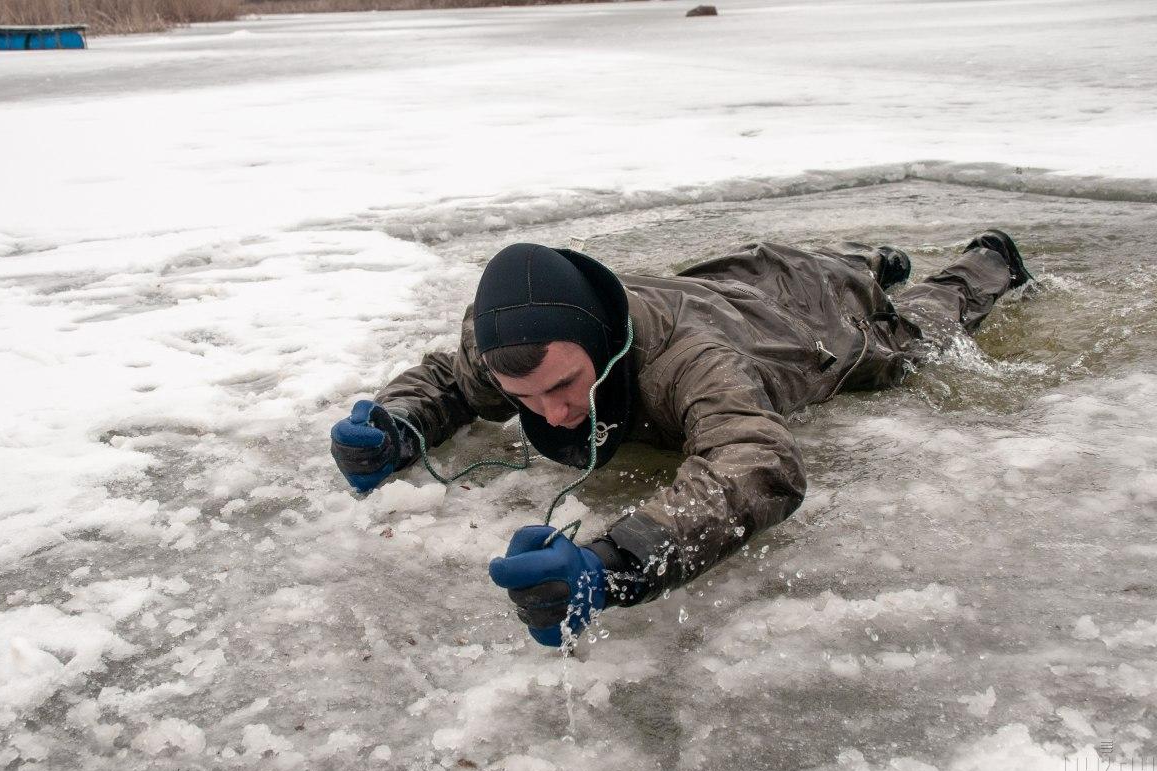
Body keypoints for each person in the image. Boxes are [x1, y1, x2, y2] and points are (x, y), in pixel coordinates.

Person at [331, 231, 1033, 647]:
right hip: (732, 278)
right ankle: (867, 258)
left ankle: (979, 258)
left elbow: (758, 461)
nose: (557, 412)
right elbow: (451, 380)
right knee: (782, 271)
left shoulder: (689, 362)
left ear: (599, 341)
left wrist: (612, 564)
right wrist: (395, 425)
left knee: (923, 330)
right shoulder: (512, 347)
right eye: (527, 400)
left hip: (813, 319)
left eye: (566, 385)